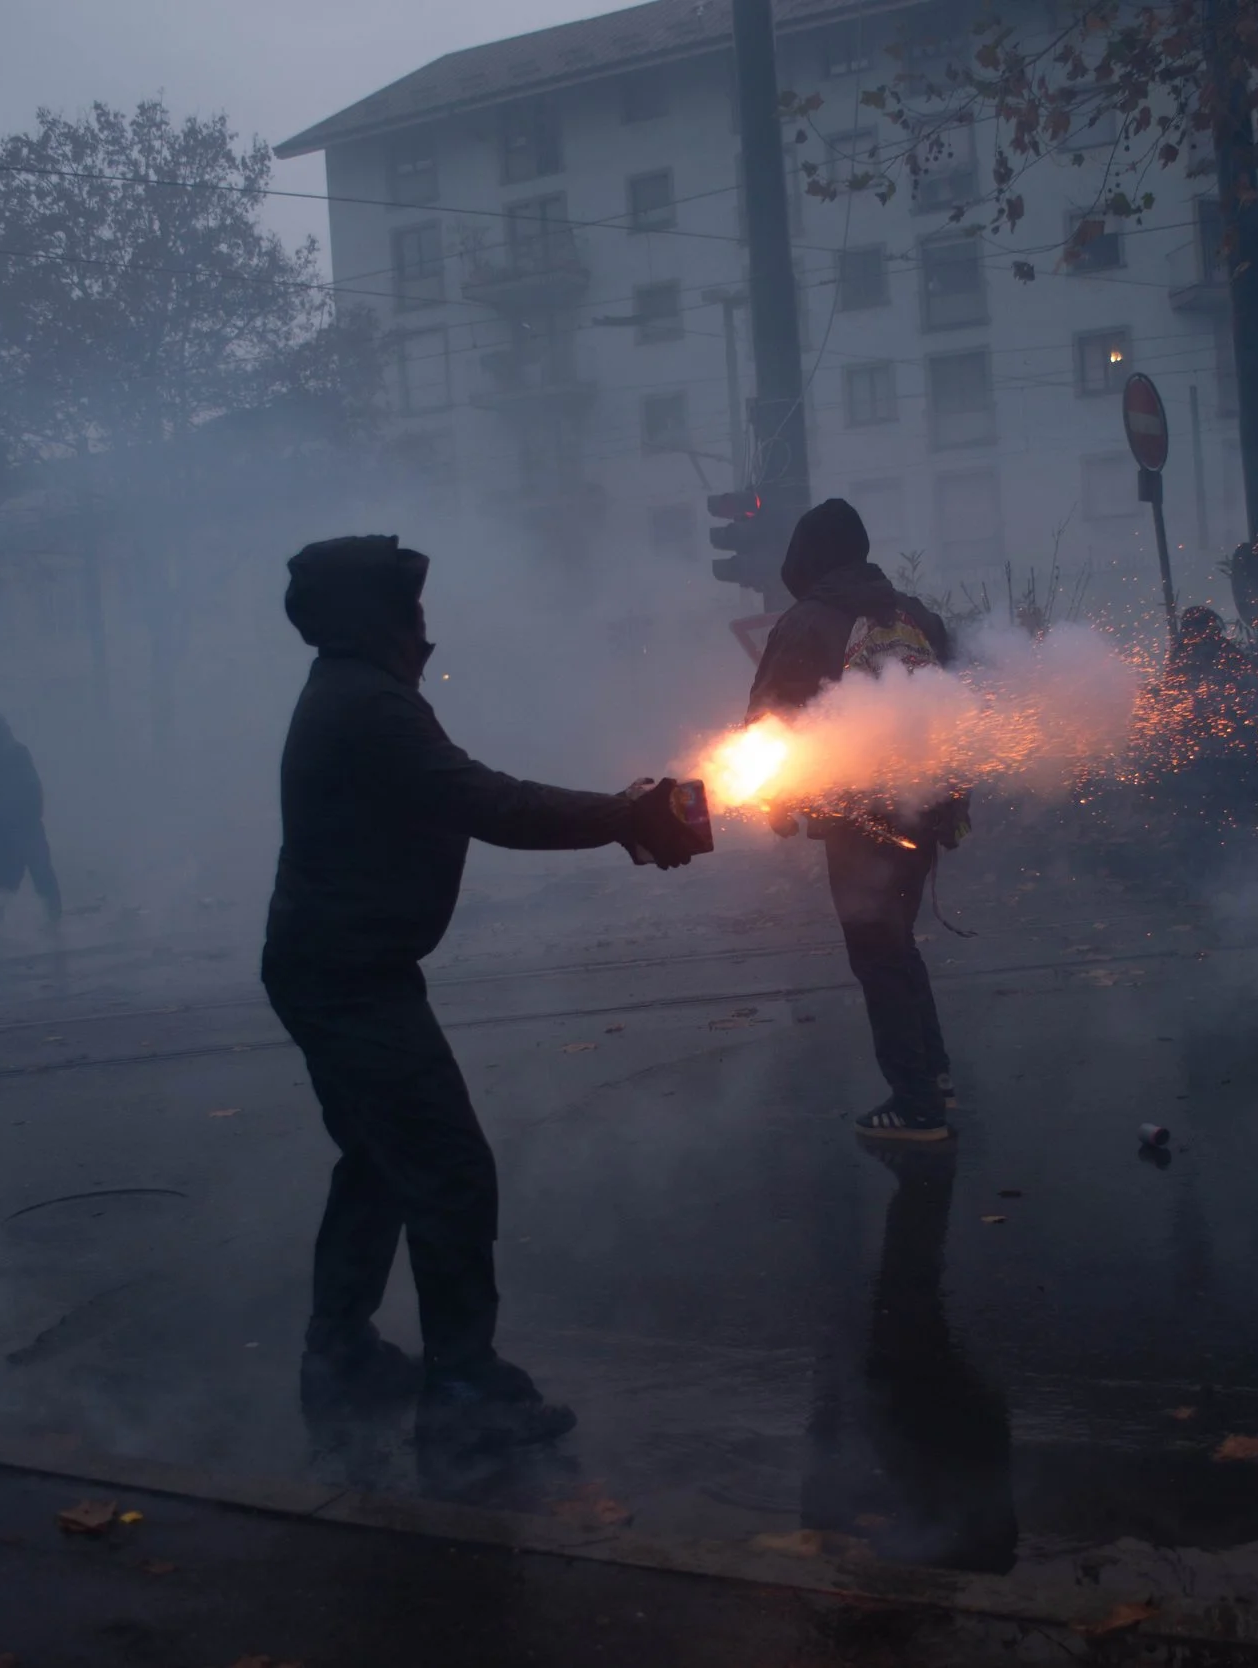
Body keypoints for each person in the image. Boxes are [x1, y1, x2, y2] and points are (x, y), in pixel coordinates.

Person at [262, 534, 702, 1448]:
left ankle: (338, 1355)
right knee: (449, 1171)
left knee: (381, 1162)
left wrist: (619, 814)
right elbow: (485, 803)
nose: (424, 626)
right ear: (374, 619)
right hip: (349, 980)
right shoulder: (369, 706)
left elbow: (470, 797)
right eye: (408, 608)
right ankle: (463, 1388)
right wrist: (623, 817)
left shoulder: (358, 694)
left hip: (333, 966)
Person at [745, 498, 961, 1142]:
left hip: (859, 818)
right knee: (897, 940)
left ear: (806, 559)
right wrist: (954, 804)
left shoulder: (807, 622)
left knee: (877, 951)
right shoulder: (915, 615)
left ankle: (915, 1103)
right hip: (924, 806)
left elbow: (770, 722)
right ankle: (934, 1075)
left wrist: (775, 799)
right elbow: (964, 713)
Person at [0, 712, 58, 924]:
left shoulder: (15, 752)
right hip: (2, 826)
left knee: (40, 872)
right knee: (3, 878)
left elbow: (20, 788)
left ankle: (53, 919)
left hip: (25, 824)